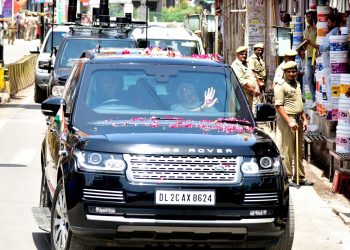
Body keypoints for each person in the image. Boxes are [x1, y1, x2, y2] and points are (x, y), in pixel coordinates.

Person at [274, 61, 313, 186]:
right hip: (287, 120)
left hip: (298, 119)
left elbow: (299, 104)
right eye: (289, 71)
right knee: (287, 150)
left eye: (294, 71)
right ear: (285, 72)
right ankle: (288, 177)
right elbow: (279, 106)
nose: (292, 74)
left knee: (299, 150)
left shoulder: (297, 84)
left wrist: (305, 119)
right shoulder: (280, 85)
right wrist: (290, 121)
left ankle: (300, 177)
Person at [303, 10, 317, 103]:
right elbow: (305, 44)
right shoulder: (306, 30)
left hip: (316, 56)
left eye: (311, 17)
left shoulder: (317, 29)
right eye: (307, 17)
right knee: (308, 78)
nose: (309, 19)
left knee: (317, 78)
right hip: (308, 56)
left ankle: (318, 99)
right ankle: (314, 99)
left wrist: (310, 42)